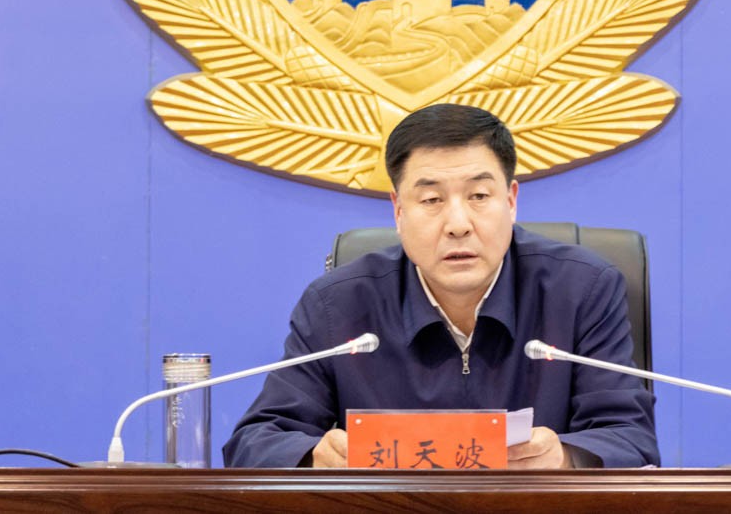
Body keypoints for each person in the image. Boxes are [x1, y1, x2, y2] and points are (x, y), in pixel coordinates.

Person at [223, 104, 659, 468]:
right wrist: (314, 456)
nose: (458, 224)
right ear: (398, 211)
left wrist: (565, 457)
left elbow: (631, 439)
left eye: (479, 196)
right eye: (431, 200)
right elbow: (256, 442)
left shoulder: (581, 290)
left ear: (510, 201)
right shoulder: (338, 305)